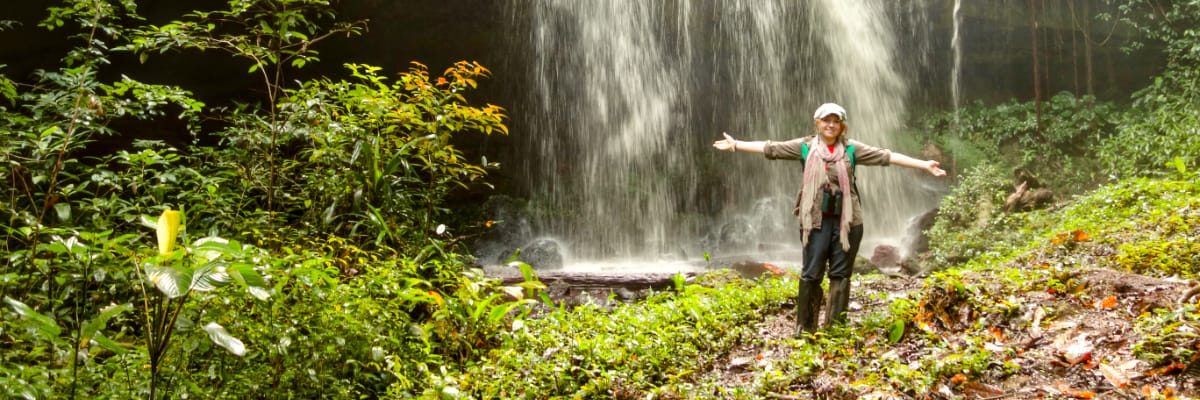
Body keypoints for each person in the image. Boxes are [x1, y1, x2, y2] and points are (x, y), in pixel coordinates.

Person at [712, 103, 946, 336]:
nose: (831, 125)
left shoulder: (852, 149)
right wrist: (736, 145)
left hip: (848, 222)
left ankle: (835, 329)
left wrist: (924, 164)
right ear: (818, 123)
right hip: (814, 221)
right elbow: (771, 148)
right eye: (826, 121)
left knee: (841, 274)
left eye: (835, 121)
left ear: (841, 125)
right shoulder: (805, 146)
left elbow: (886, 156)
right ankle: (805, 328)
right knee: (811, 273)